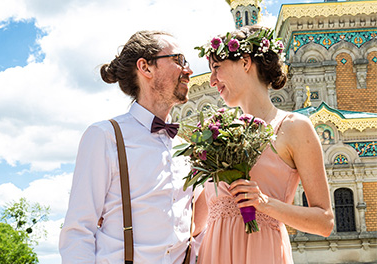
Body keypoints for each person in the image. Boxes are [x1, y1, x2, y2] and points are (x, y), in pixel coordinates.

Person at [193, 25, 334, 263]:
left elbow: (324, 222)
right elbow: (195, 222)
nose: (212, 80)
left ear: (245, 62)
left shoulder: (294, 128)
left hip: (263, 253)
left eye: (217, 67)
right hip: (214, 255)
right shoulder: (217, 133)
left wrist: (265, 203)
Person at [59, 30, 195, 263]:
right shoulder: (105, 136)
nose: (188, 69)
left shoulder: (185, 147)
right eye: (178, 60)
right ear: (146, 67)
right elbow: (78, 230)